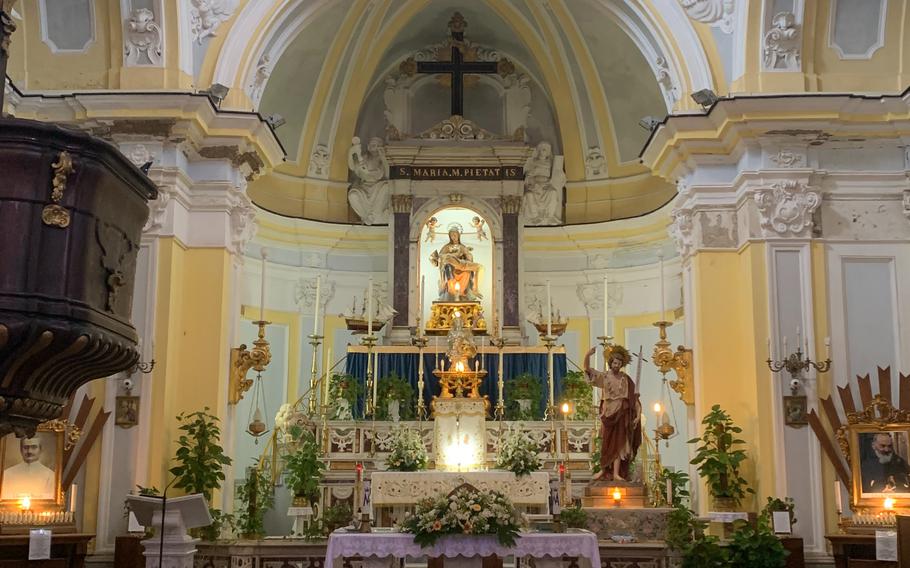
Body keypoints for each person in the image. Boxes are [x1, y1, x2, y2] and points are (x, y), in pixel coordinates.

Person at [583, 345, 642, 482]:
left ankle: (616, 473)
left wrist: (638, 416)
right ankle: (603, 470)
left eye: (619, 363)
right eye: (615, 363)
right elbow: (587, 370)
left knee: (619, 445)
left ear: (622, 365)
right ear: (610, 363)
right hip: (608, 415)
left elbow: (635, 401)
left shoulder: (625, 379)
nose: (617, 365)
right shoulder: (604, 377)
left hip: (622, 415)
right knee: (607, 444)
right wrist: (588, 354)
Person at [430, 227, 483, 301]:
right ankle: (450, 293)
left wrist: (466, 254)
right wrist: (456, 254)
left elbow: (469, 259)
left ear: (458, 235)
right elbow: (441, 257)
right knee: (448, 267)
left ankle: (466, 292)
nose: (454, 237)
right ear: (450, 237)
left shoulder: (462, 247)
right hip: (451, 268)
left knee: (466, 272)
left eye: (455, 235)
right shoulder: (447, 247)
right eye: (452, 235)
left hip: (462, 266)